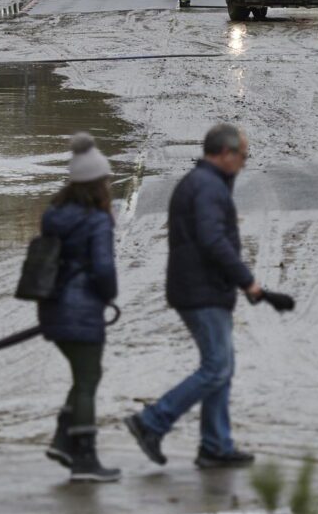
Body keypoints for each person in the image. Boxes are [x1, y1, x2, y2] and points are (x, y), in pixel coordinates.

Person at [125, 123, 263, 469]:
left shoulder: (207, 183)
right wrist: (246, 281)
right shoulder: (205, 187)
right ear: (224, 153)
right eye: (242, 156)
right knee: (217, 366)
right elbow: (213, 241)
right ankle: (152, 421)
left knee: (222, 368)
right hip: (200, 290)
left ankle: (215, 446)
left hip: (203, 287)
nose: (244, 163)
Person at [39, 133, 121, 483]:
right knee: (88, 379)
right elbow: (103, 269)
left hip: (52, 308)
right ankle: (84, 458)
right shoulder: (97, 220)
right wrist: (108, 295)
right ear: (97, 184)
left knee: (84, 376)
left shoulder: (55, 214)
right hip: (82, 309)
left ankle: (63, 440)